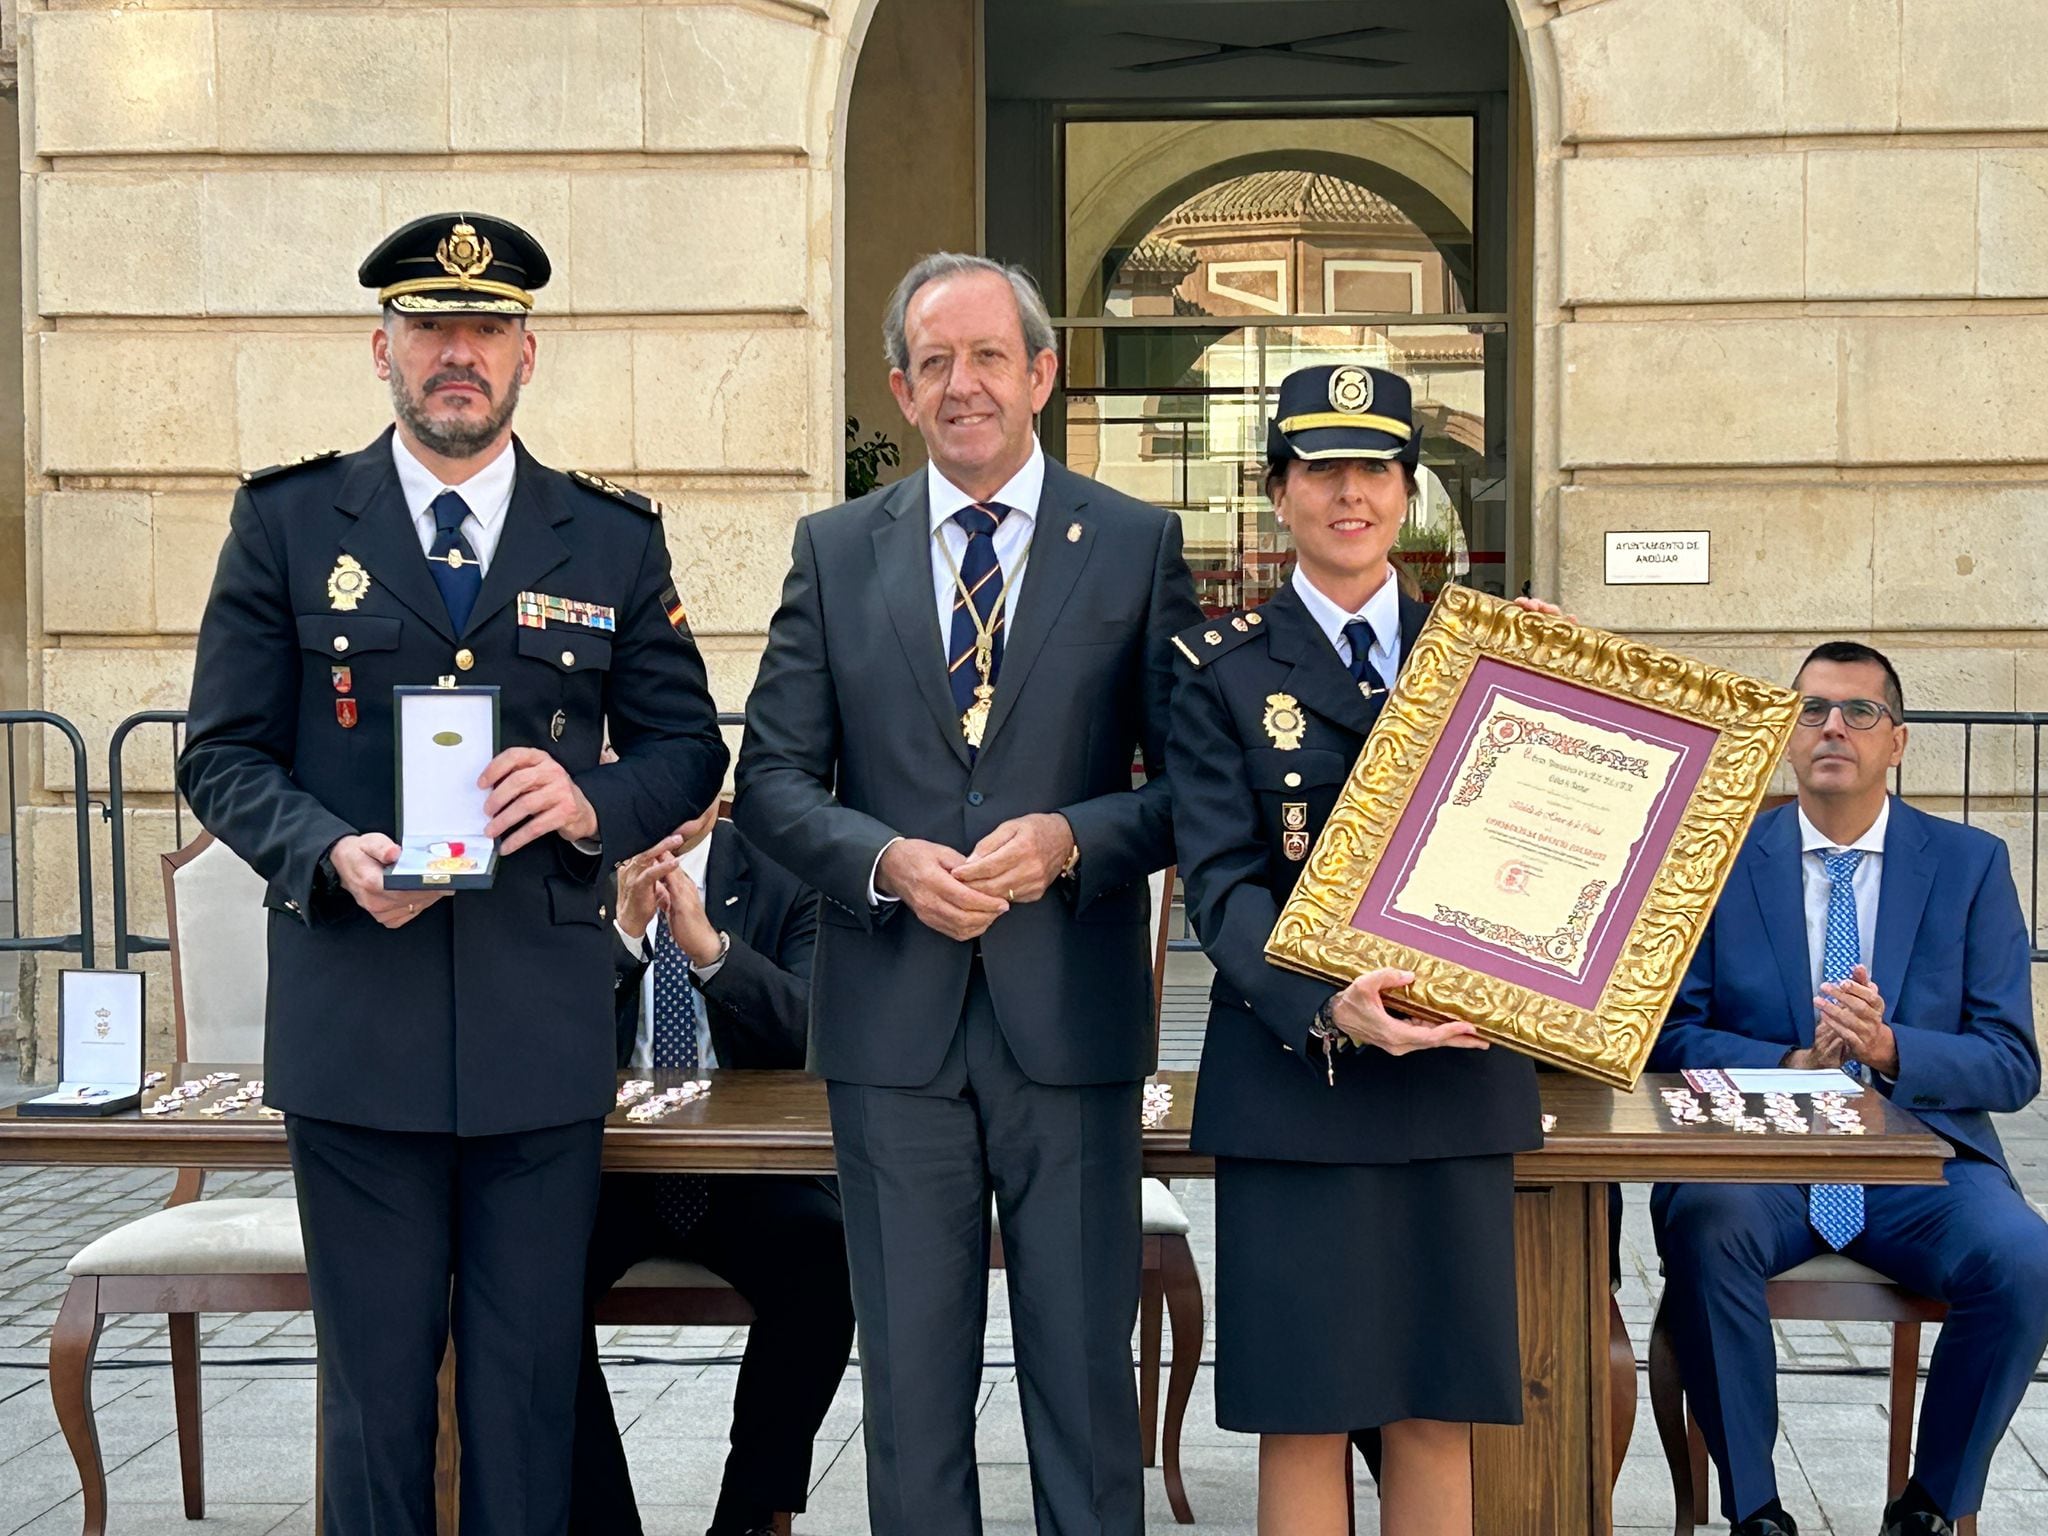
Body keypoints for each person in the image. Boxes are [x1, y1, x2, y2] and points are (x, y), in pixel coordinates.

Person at [178, 212, 728, 1536]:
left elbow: (687, 748)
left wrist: (588, 798)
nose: (458, 356)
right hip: (355, 1032)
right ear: (384, 350)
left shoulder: (606, 538)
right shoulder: (290, 523)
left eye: (485, 331)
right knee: (374, 1402)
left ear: (528, 354)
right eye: (431, 330)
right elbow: (223, 755)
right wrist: (328, 853)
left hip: (539, 1032)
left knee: (529, 1391)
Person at [732, 251, 1201, 1534]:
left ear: (1039, 373)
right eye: (934, 362)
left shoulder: (1131, 543)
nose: (963, 385)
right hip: (892, 1031)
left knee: (1083, 1388)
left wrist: (1070, 838)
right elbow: (769, 781)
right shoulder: (835, 552)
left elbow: (1187, 789)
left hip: (1072, 1028)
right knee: (912, 1395)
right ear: (899, 387)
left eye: (988, 356)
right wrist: (880, 861)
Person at [1167, 364, 1545, 1536]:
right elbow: (1218, 883)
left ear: (1407, 492)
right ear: (1276, 493)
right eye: (1319, 470)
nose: (1348, 494)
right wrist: (1327, 1006)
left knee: (1437, 1410)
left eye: (1373, 469)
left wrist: (1560, 701)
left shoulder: (1486, 657)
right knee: (1307, 1409)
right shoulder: (1216, 669)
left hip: (1455, 1074)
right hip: (1295, 1085)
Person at [1649, 641, 2048, 1536]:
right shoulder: (1716, 858)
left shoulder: (1970, 864)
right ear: (1786, 736)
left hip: (1922, 1169)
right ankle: (1757, 1512)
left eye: (1859, 712)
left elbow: (2012, 1063)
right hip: (1763, 1158)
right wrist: (1791, 1063)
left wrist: (1892, 1047)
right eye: (1813, 710)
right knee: (1705, 1227)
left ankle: (1930, 1505)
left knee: (2026, 1261)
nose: (1833, 727)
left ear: (1897, 741)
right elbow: (1668, 1035)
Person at [571, 794, 854, 1536]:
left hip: (746, 1173)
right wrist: (624, 939)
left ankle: (747, 1519)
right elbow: (541, 1041)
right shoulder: (570, 868)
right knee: (521, 1279)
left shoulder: (783, 869)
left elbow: (819, 1031)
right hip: (610, 1175)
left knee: (830, 1261)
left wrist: (714, 954)